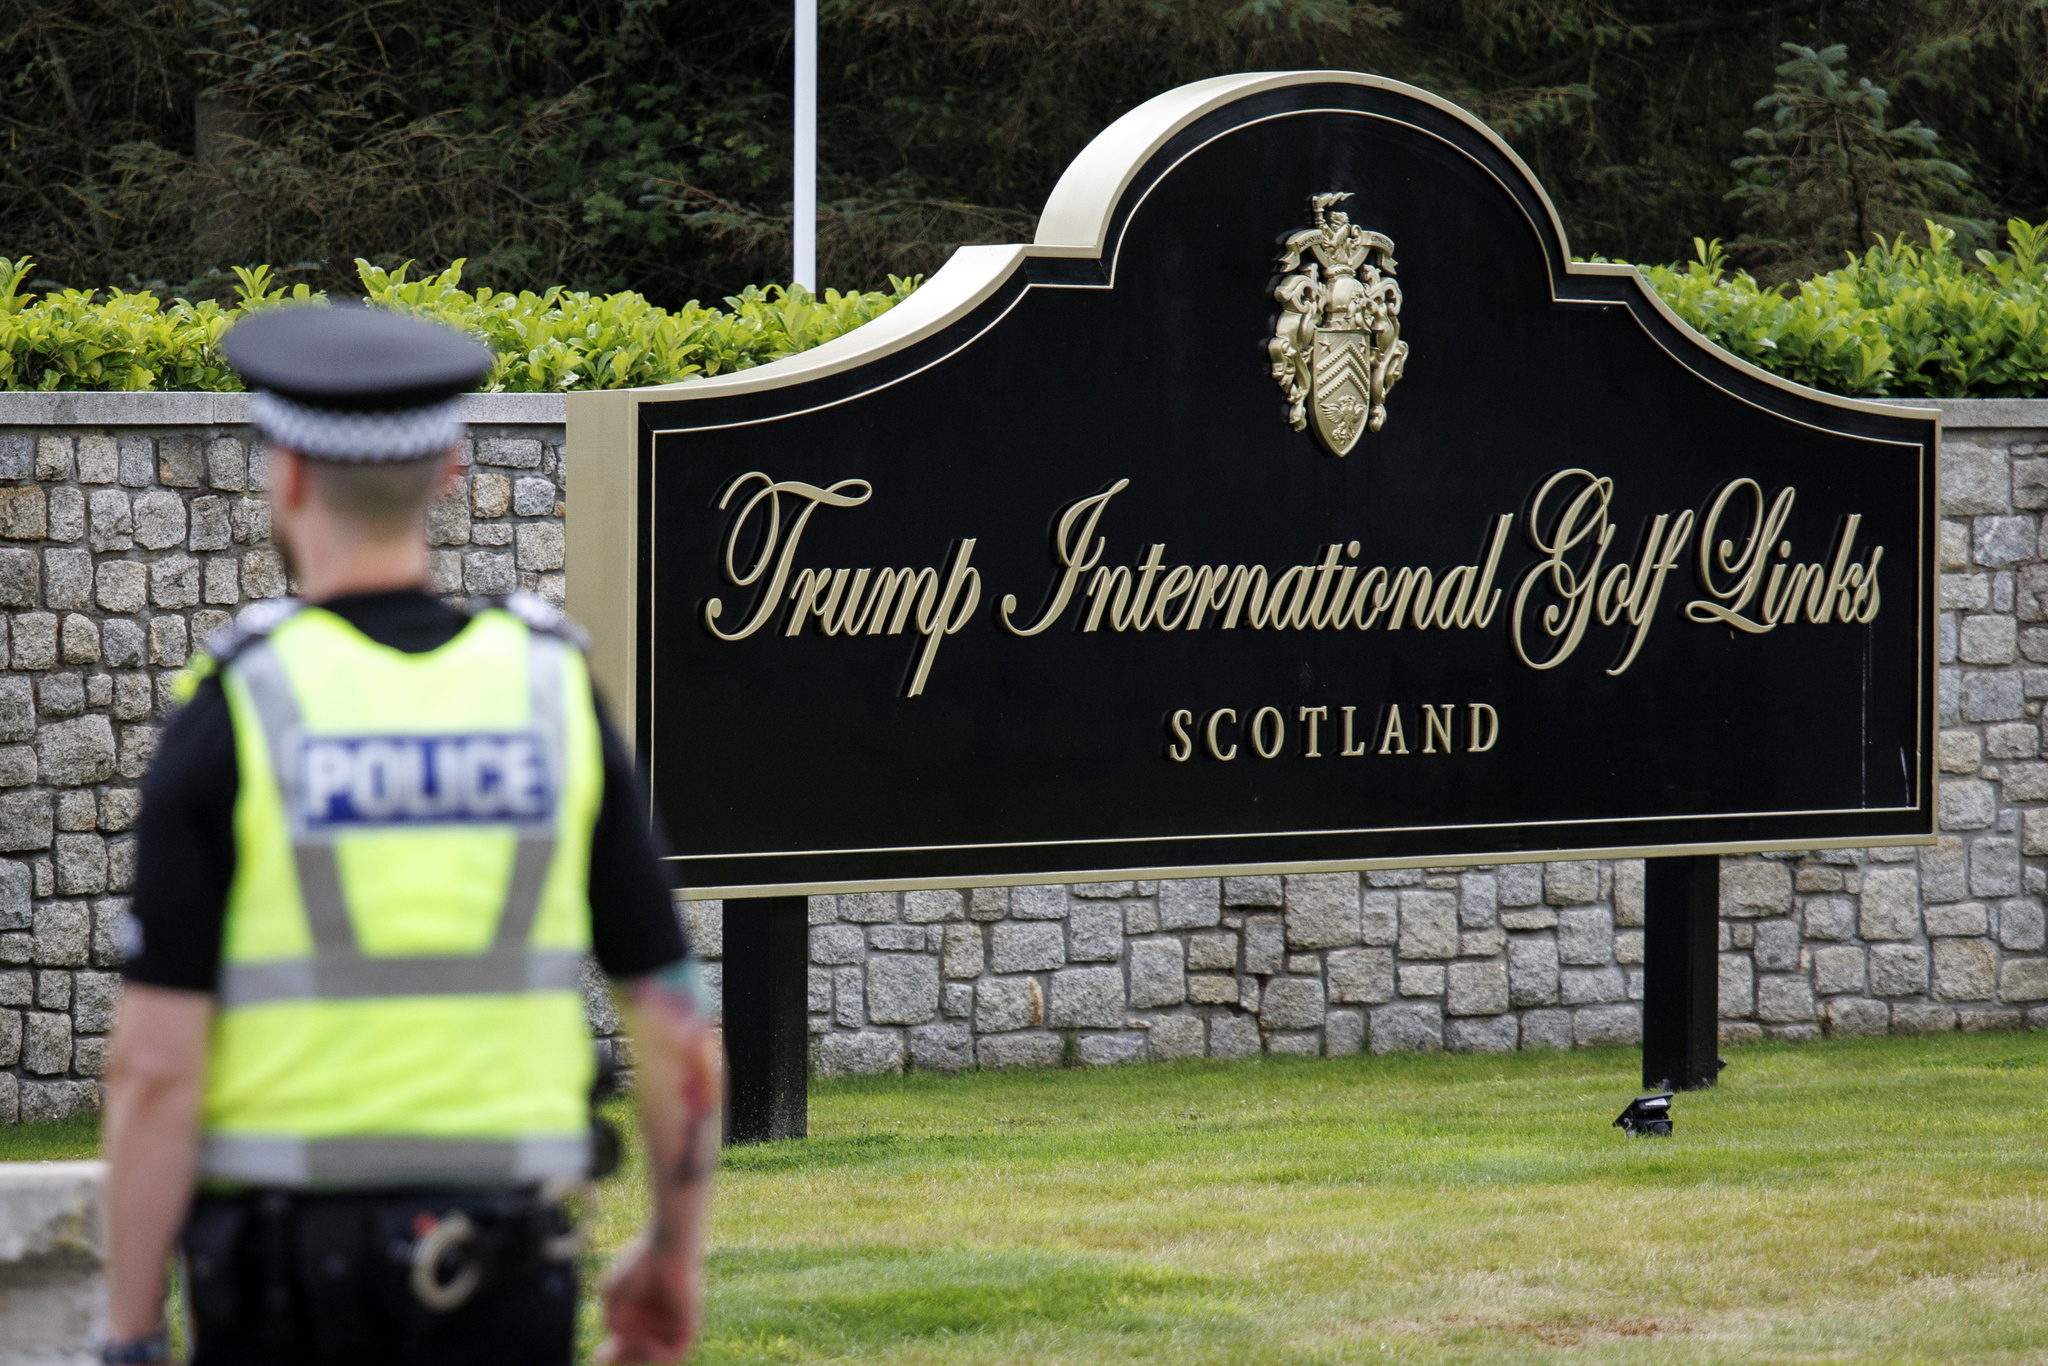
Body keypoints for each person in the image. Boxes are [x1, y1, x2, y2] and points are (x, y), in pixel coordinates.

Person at [96, 304, 722, 1366]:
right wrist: (671, 1248)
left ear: (284, 473)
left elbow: (156, 1065)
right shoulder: (547, 688)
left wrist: (128, 1329)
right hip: (500, 1276)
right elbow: (670, 1018)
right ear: (450, 468)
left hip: (280, 1285)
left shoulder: (236, 706)